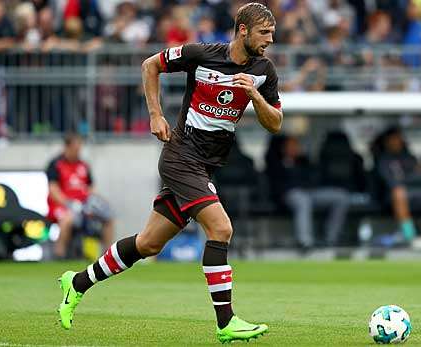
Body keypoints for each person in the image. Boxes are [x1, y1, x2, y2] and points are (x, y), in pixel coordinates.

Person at [56, 3, 282, 344]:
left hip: (205, 164)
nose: (270, 40)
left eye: (272, 34)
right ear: (243, 30)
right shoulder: (201, 54)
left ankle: (77, 283)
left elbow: (275, 123)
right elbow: (151, 65)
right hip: (182, 156)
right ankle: (226, 322)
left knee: (148, 244)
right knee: (221, 228)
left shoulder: (264, 71)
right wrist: (155, 115)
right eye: (264, 33)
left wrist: (253, 95)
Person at [265, 135, 350, 252]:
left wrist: (302, 164)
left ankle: (331, 239)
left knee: (341, 197)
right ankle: (305, 242)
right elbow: (279, 185)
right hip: (290, 194)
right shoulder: (275, 162)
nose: (295, 148)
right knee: (302, 200)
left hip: (310, 193)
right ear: (283, 147)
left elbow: (315, 178)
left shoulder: (304, 161)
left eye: (296, 145)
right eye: (291, 145)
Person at [46, 133, 114, 259]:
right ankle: (59, 255)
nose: (78, 151)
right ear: (67, 147)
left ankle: (107, 256)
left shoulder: (84, 165)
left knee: (108, 217)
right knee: (67, 220)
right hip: (62, 206)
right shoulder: (56, 165)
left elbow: (90, 188)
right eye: (75, 148)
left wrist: (101, 201)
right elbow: (53, 190)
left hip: (84, 205)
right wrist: (68, 203)